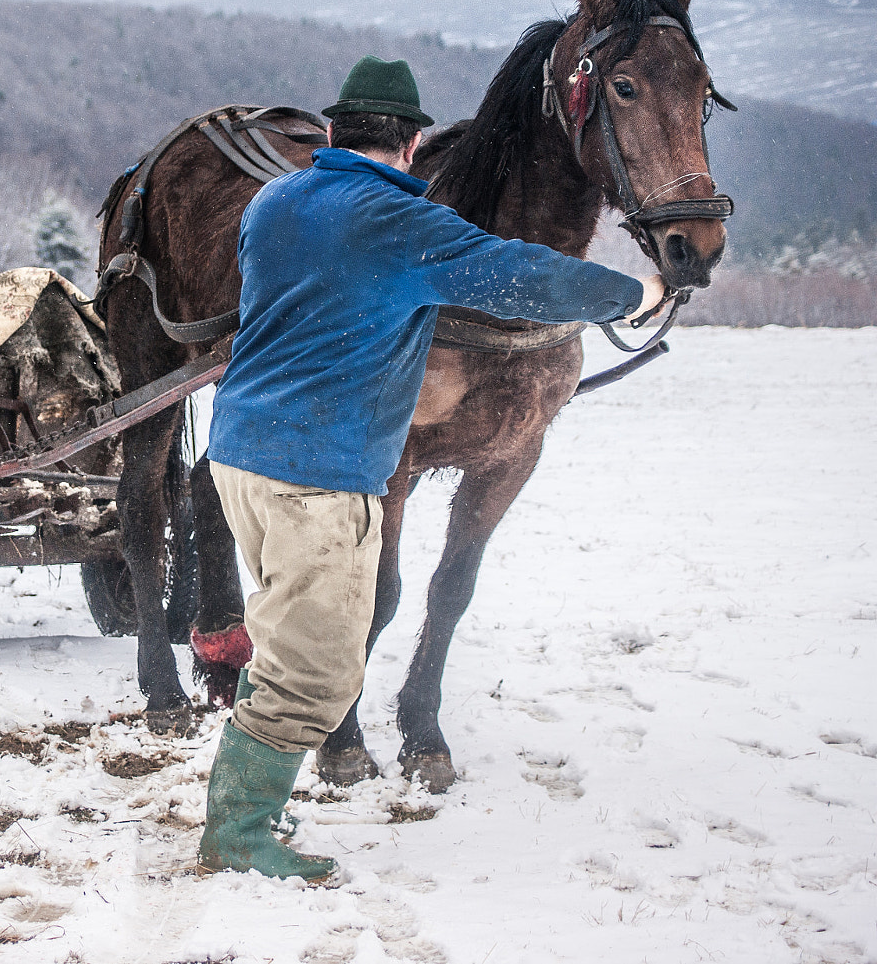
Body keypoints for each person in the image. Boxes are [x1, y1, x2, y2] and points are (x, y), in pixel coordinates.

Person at [197, 56, 667, 881]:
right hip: (319, 473)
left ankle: (253, 798)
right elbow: (521, 273)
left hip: (241, 458)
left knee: (286, 638)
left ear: (335, 133)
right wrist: (628, 295)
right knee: (320, 668)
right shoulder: (399, 224)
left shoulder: (273, 202)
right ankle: (237, 833)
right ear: (414, 145)